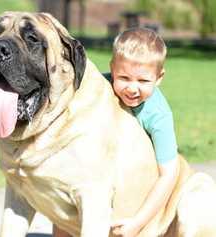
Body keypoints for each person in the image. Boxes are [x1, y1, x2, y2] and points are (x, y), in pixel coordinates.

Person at [53, 27, 180, 237]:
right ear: (112, 69)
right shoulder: (98, 87)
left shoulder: (158, 114)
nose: (132, 88)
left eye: (143, 81)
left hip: (130, 186)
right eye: (124, 77)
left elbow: (168, 174)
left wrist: (138, 223)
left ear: (159, 78)